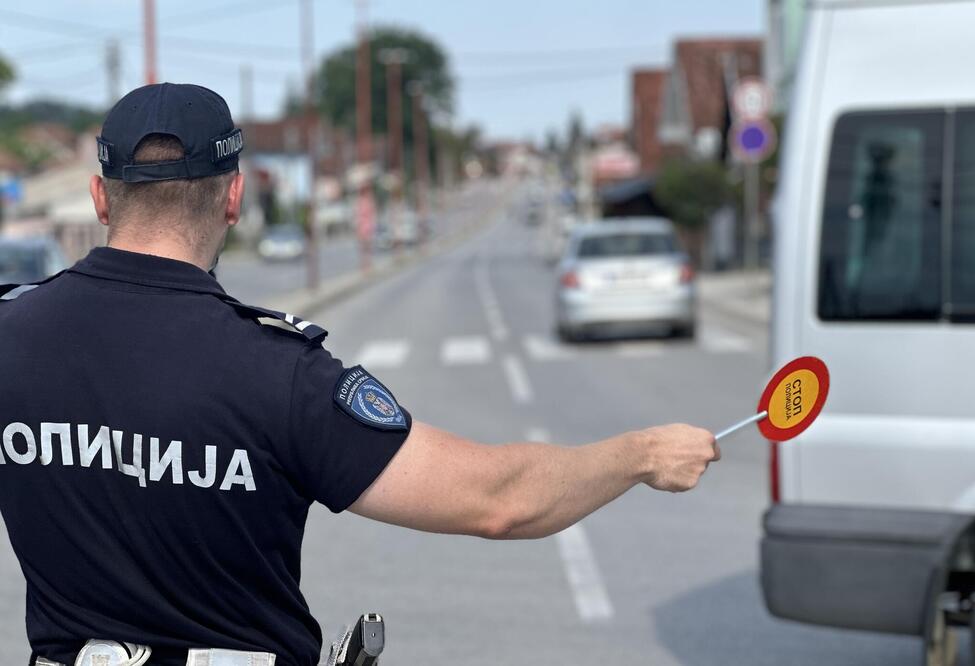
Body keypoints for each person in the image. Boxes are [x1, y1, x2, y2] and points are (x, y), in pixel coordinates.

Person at [0, 83, 718, 666]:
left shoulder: (12, 335)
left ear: (100, 197)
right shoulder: (277, 372)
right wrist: (642, 454)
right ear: (234, 198)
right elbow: (500, 501)